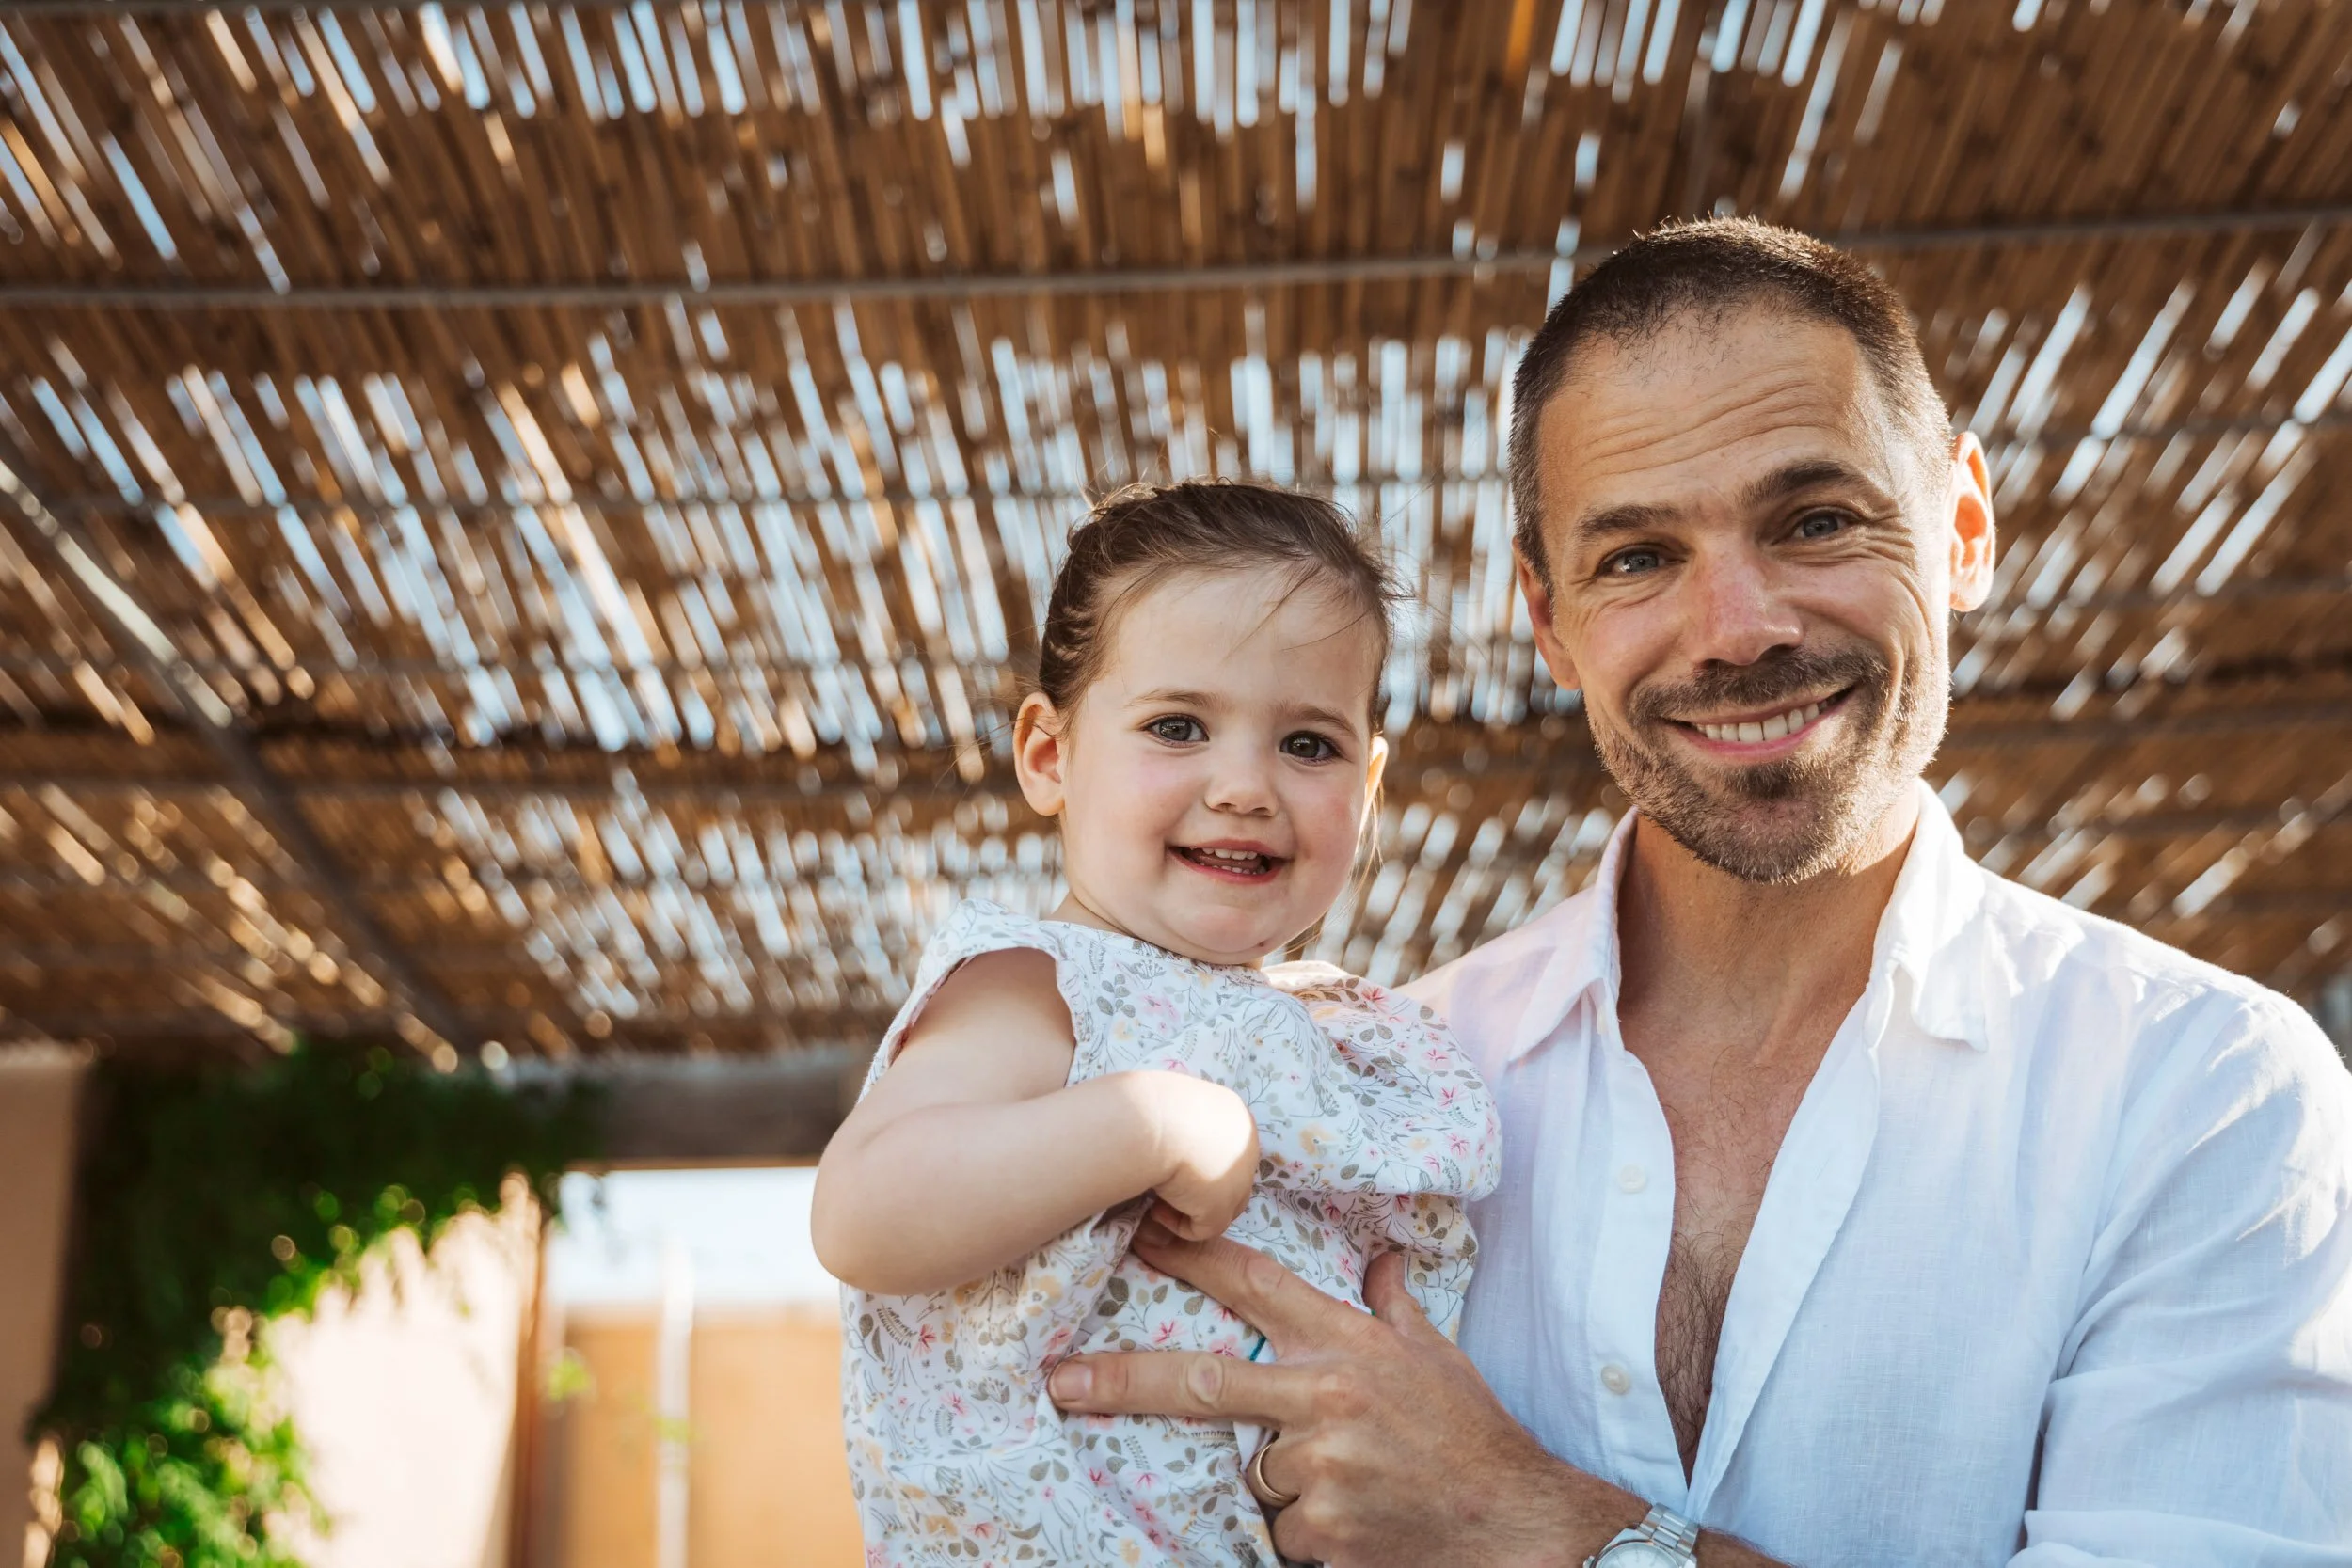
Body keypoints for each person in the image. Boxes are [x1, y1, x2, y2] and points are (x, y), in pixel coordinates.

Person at [1045, 219, 2352, 1566]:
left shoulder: (2206, 1094)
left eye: (1817, 519)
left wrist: (1537, 1523)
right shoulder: (1384, 1096)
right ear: (1549, 620)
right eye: (1637, 557)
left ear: (1962, 527)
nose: (1740, 627)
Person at [811, 480, 1502, 1565]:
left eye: (1308, 744)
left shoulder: (1346, 1029)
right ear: (1049, 755)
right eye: (1177, 726)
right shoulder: (1043, 984)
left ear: (1367, 789)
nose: (1243, 784)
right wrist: (1145, 1122)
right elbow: (862, 1213)